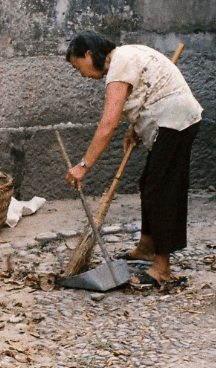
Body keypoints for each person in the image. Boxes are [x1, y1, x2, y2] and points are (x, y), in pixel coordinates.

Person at [65, 31, 203, 286]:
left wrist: (83, 166)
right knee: (148, 184)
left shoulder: (120, 63)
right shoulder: (127, 56)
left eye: (78, 66)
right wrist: (136, 127)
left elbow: (108, 124)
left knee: (161, 191)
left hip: (176, 122)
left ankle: (162, 268)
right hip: (168, 120)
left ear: (88, 54)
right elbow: (146, 92)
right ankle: (147, 246)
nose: (81, 74)